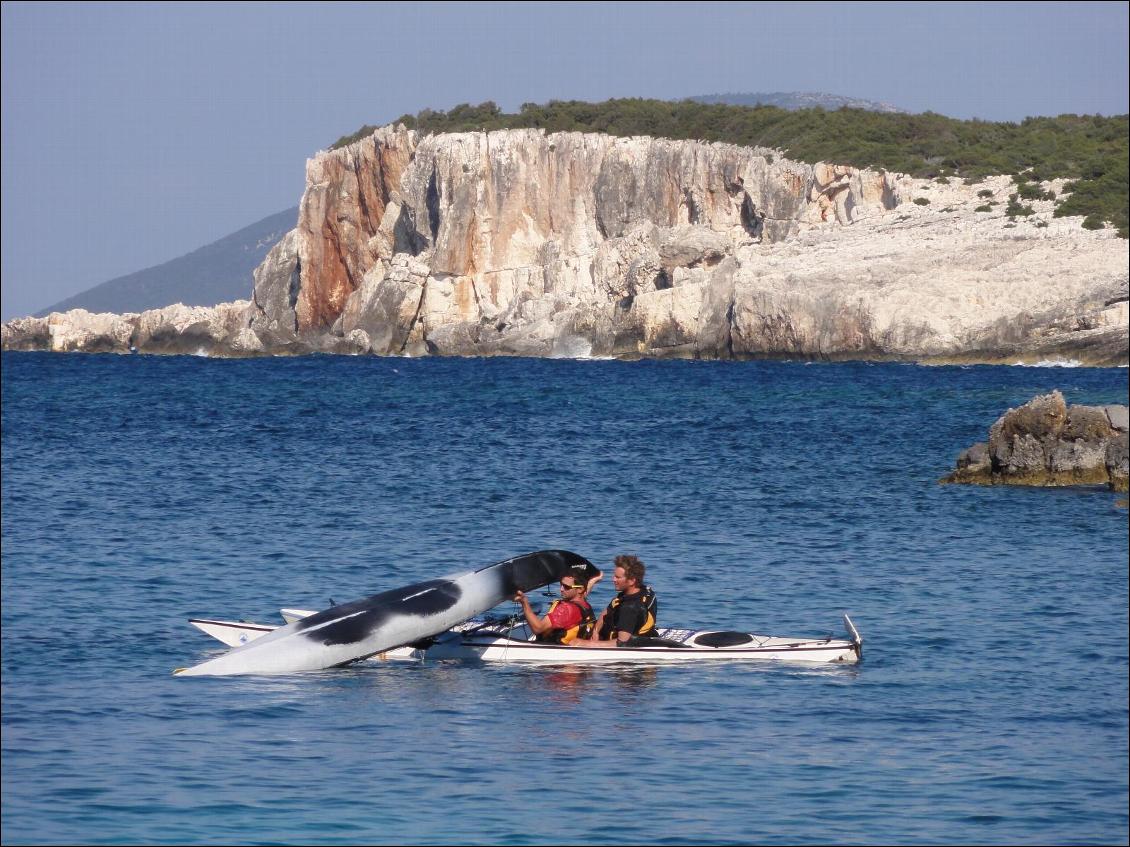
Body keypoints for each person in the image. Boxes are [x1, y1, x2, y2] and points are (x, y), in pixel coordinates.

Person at [576, 554, 657, 648]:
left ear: (631, 581)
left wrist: (585, 644)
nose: (613, 579)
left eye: (618, 577)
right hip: (602, 634)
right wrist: (596, 632)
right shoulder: (642, 590)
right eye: (614, 576)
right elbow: (607, 611)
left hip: (615, 642)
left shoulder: (629, 608)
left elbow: (622, 643)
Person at [512, 573, 597, 645]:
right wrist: (595, 579)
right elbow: (584, 591)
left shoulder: (566, 609)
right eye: (561, 584)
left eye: (566, 587)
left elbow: (538, 628)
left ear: (580, 589)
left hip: (553, 656)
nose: (561, 589)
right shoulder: (585, 605)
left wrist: (524, 602)